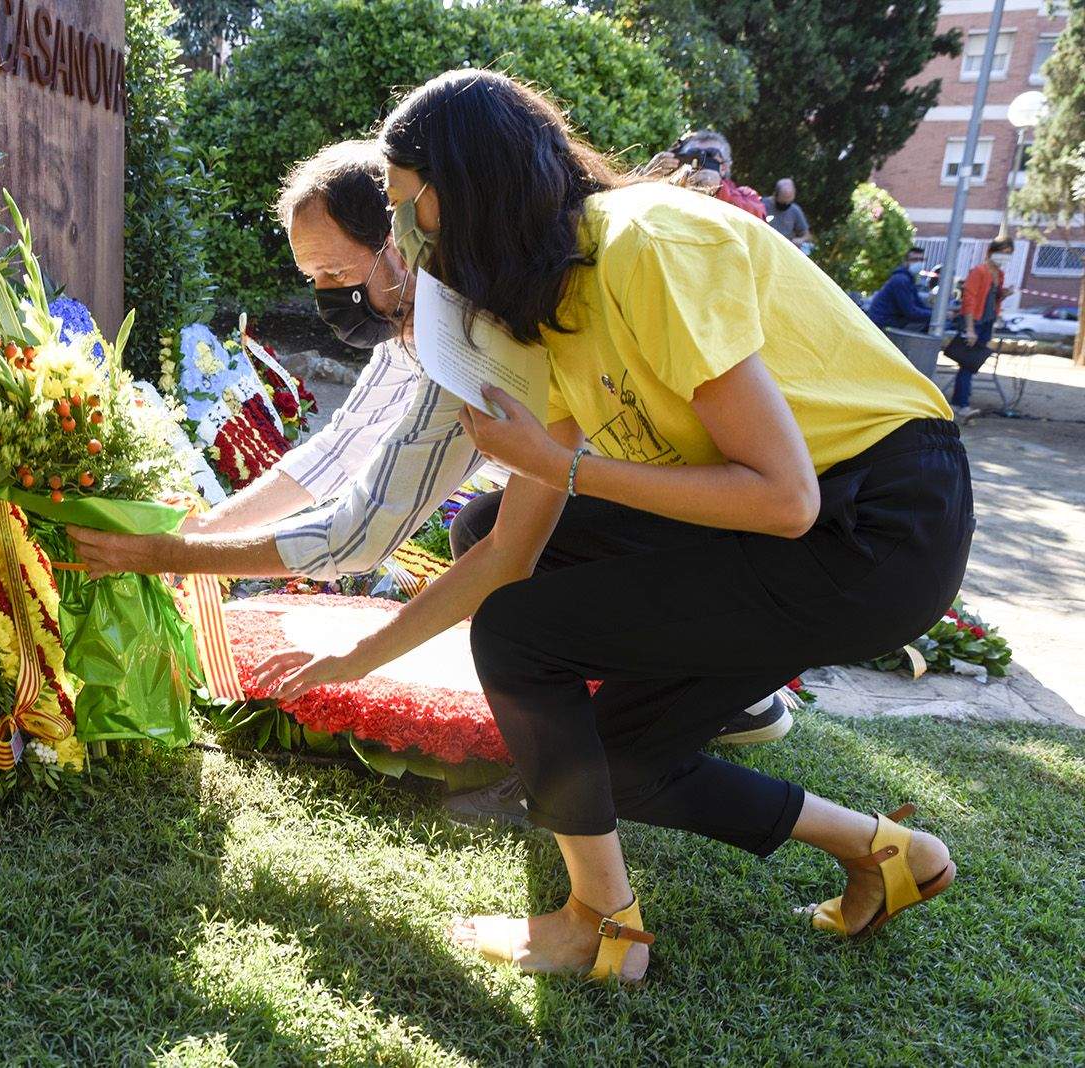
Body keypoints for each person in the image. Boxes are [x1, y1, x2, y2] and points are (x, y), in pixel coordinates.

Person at [252, 70, 967, 984]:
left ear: (471, 187)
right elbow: (515, 546)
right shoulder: (550, 303)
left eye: (406, 209)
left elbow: (787, 497)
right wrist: (361, 657)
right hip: (800, 529)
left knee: (523, 636)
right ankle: (888, 851)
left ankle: (600, 924)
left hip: (883, 525)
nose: (402, 242)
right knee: (611, 740)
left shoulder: (642, 244)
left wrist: (566, 467)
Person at [72, 139, 794, 826]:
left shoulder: (464, 336)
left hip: (701, 516)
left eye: (332, 273)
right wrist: (203, 526)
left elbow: (357, 534)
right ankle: (667, 689)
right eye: (311, 279)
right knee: (483, 529)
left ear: (393, 246)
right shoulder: (409, 322)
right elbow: (336, 453)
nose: (324, 295)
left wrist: (170, 555)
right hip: (634, 500)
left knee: (514, 601)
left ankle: (690, 690)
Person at [949, 238, 1014, 417]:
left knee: (972, 362)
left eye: (1009, 253)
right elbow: (969, 300)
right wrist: (969, 329)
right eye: (1003, 252)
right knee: (967, 363)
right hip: (974, 322)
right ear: (992, 251)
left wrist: (1004, 294)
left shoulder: (999, 274)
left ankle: (959, 401)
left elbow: (992, 299)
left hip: (987, 321)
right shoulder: (979, 271)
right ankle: (961, 403)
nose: (1005, 256)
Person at [643, 129, 766, 220]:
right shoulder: (666, 188)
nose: (700, 162)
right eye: (693, 154)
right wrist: (648, 177)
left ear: (724, 167)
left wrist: (719, 191)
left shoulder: (746, 195)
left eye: (710, 155)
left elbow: (758, 219)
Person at [866, 247, 934, 331]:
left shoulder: (908, 279)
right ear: (906, 262)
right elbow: (911, 312)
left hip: (890, 321)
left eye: (921, 260)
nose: (919, 262)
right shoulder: (901, 280)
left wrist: (937, 313)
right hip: (884, 325)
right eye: (914, 259)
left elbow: (919, 305)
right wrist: (937, 315)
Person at [763, 178, 812, 249]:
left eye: (788, 202)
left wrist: (801, 240)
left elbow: (807, 235)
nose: (786, 205)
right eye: (783, 203)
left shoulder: (795, 210)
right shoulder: (762, 205)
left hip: (784, 248)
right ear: (775, 194)